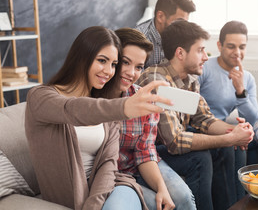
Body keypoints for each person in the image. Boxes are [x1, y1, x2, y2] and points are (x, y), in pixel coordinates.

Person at [25, 26, 172, 210]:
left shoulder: (105, 106)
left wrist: (93, 205)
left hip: (114, 185)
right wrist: (125, 107)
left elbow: (108, 164)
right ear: (82, 57)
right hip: (70, 193)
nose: (109, 71)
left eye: (113, 64)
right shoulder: (40, 97)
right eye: (102, 60)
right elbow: (73, 110)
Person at [137, 20, 254, 210]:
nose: (206, 57)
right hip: (151, 153)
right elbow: (174, 141)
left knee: (230, 147)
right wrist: (229, 138)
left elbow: (204, 119)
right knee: (201, 158)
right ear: (180, 53)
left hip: (169, 146)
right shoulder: (156, 80)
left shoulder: (190, 80)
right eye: (200, 50)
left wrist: (235, 131)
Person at [95, 27, 196, 210]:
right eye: (125, 62)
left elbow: (144, 152)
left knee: (183, 198)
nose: (131, 73)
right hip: (112, 175)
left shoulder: (144, 100)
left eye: (139, 67)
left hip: (138, 164)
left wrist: (161, 188)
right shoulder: (91, 103)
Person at [198, 21, 258, 200]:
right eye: (231, 46)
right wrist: (232, 133)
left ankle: (240, 202)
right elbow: (193, 112)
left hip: (225, 129)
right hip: (202, 128)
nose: (237, 53)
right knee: (235, 144)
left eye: (242, 47)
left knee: (244, 141)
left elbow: (253, 117)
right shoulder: (204, 68)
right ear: (219, 46)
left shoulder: (246, 78)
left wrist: (240, 90)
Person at [136, 0, 196, 68]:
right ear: (160, 17)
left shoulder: (181, 35)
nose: (183, 27)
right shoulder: (139, 40)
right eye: (179, 21)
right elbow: (136, 77)